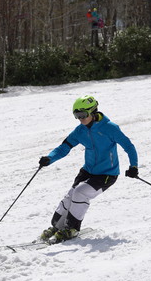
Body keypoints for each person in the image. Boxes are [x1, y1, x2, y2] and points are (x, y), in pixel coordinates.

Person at [38, 95, 139, 243]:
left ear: (93, 112)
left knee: (80, 193)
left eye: (83, 115)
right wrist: (50, 158)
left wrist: (133, 166)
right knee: (71, 195)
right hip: (87, 171)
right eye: (77, 115)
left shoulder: (110, 128)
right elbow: (64, 147)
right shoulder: (80, 130)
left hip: (106, 174)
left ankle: (72, 229)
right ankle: (57, 227)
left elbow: (129, 147)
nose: (81, 119)